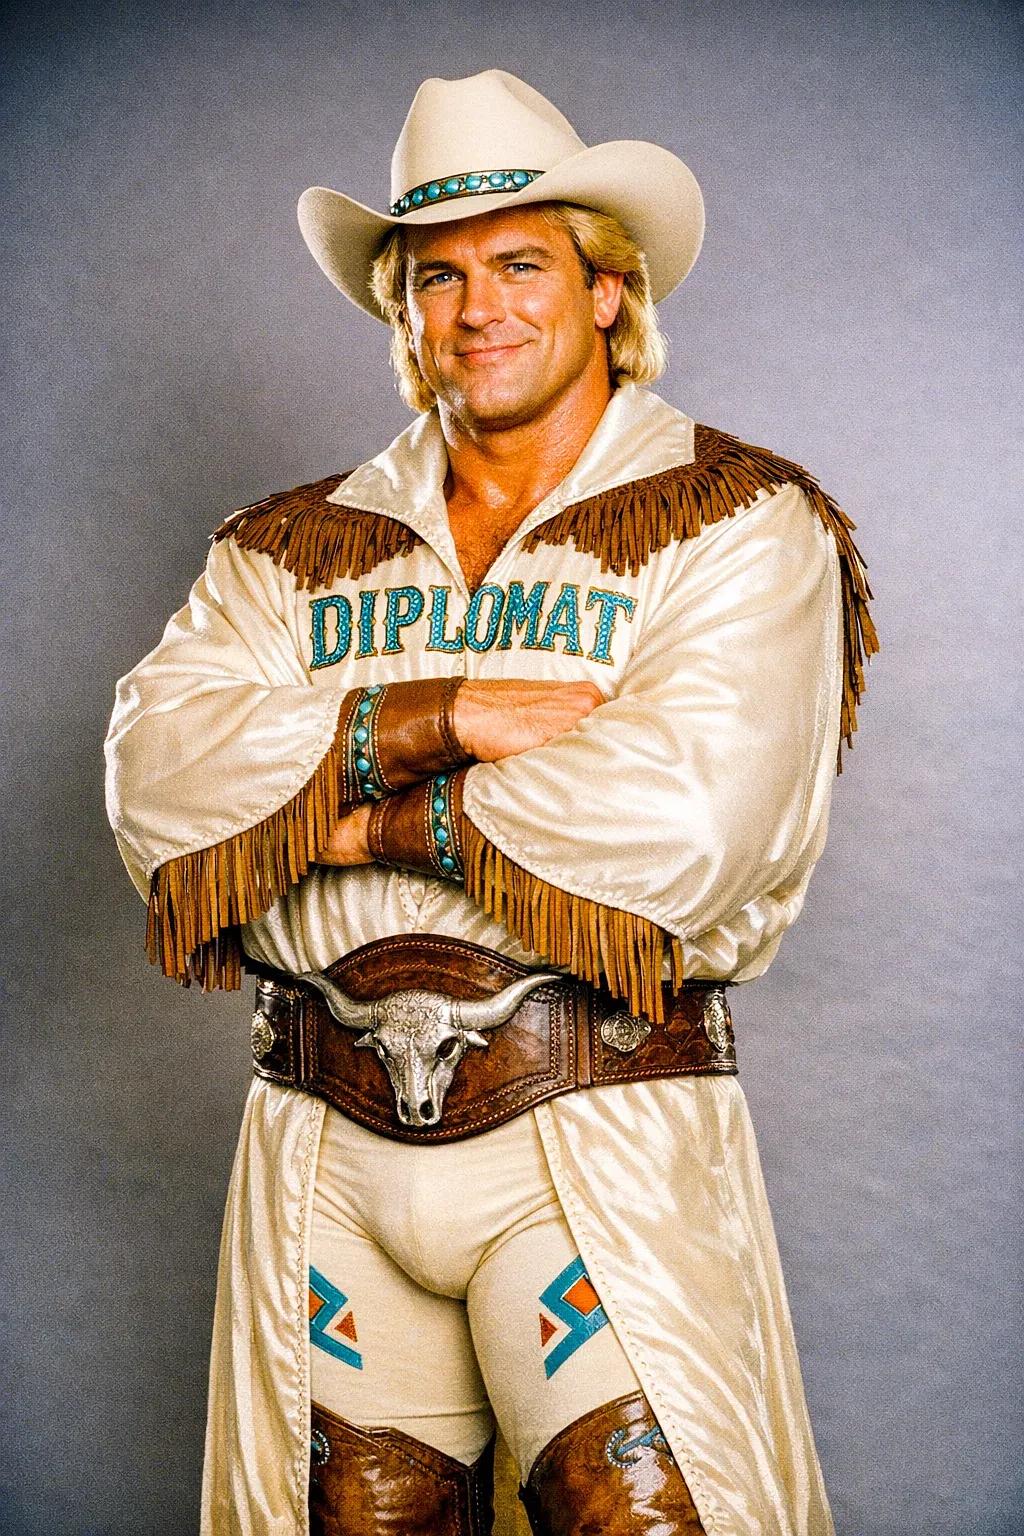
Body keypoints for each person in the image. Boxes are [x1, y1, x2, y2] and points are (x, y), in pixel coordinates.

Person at [105, 68, 876, 1536]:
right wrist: (438, 718)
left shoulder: (730, 520)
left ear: (603, 290)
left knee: (645, 1513)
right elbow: (158, 784)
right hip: (326, 1129)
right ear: (402, 312)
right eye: (438, 277)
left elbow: (690, 826)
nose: (479, 310)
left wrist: (343, 811)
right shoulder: (286, 550)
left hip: (586, 1117)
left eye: (522, 263)